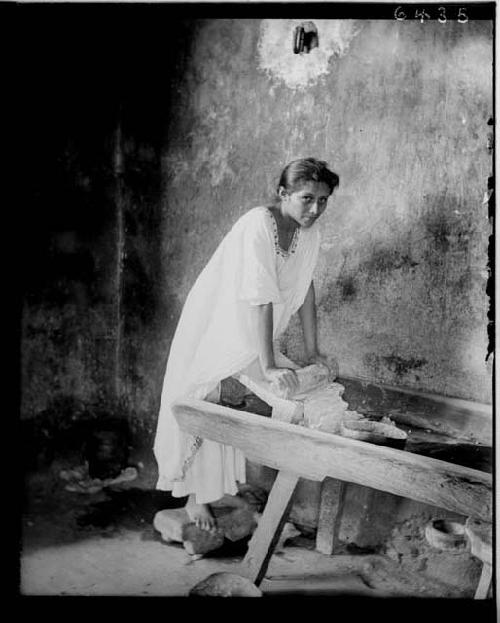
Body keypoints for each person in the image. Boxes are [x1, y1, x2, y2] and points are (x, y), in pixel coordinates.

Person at [153, 157, 340, 531]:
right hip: (218, 326)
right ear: (282, 193)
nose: (315, 209)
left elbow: (305, 291)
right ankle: (195, 498)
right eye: (307, 199)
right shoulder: (257, 223)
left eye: (323, 200)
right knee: (202, 401)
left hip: (253, 336)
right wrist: (269, 364)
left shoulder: (310, 234)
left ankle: (216, 490)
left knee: (300, 396)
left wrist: (312, 351)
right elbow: (259, 298)